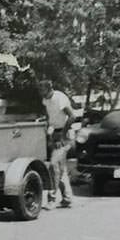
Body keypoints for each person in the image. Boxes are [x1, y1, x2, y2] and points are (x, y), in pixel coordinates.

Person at [38, 79, 77, 208]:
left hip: (65, 135)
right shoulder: (45, 100)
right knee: (61, 169)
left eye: (42, 90)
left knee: (53, 165)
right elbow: (50, 116)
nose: (41, 93)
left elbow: (72, 116)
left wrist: (62, 134)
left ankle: (51, 199)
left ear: (49, 89)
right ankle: (67, 198)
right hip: (54, 134)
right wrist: (49, 131)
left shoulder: (60, 98)